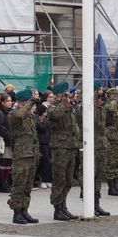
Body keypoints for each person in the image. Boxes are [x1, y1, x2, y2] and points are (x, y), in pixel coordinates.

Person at [48, 82, 80, 221]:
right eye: (66, 92)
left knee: (68, 179)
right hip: (59, 147)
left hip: (71, 146)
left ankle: (63, 205)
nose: (69, 94)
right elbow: (56, 115)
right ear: (60, 93)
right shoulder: (54, 106)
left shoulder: (69, 106)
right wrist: (63, 101)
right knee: (59, 179)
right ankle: (57, 208)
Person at [7, 90, 39, 224]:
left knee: (28, 185)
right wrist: (31, 102)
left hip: (32, 154)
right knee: (19, 184)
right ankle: (17, 212)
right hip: (21, 155)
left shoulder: (29, 117)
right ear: (23, 102)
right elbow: (19, 115)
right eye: (29, 103)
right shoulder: (13, 114)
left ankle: (25, 210)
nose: (32, 107)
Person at [93, 84, 110, 216]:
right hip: (92, 146)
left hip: (101, 145)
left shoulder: (101, 107)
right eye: (99, 90)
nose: (101, 92)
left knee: (99, 177)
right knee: (90, 176)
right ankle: (90, 203)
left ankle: (96, 204)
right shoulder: (86, 106)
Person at [0, 92, 14, 193]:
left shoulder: (11, 112)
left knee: (9, 162)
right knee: (3, 161)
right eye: (8, 101)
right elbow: (0, 127)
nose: (10, 103)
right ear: (3, 102)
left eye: (10, 101)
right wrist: (9, 135)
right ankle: (2, 183)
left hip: (10, 141)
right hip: (3, 141)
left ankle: (6, 182)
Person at [35, 103, 52, 189]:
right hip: (40, 144)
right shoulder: (37, 121)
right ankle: (42, 180)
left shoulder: (46, 121)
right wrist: (44, 121)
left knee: (48, 162)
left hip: (47, 144)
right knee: (42, 162)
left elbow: (49, 131)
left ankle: (47, 179)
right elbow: (41, 128)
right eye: (45, 111)